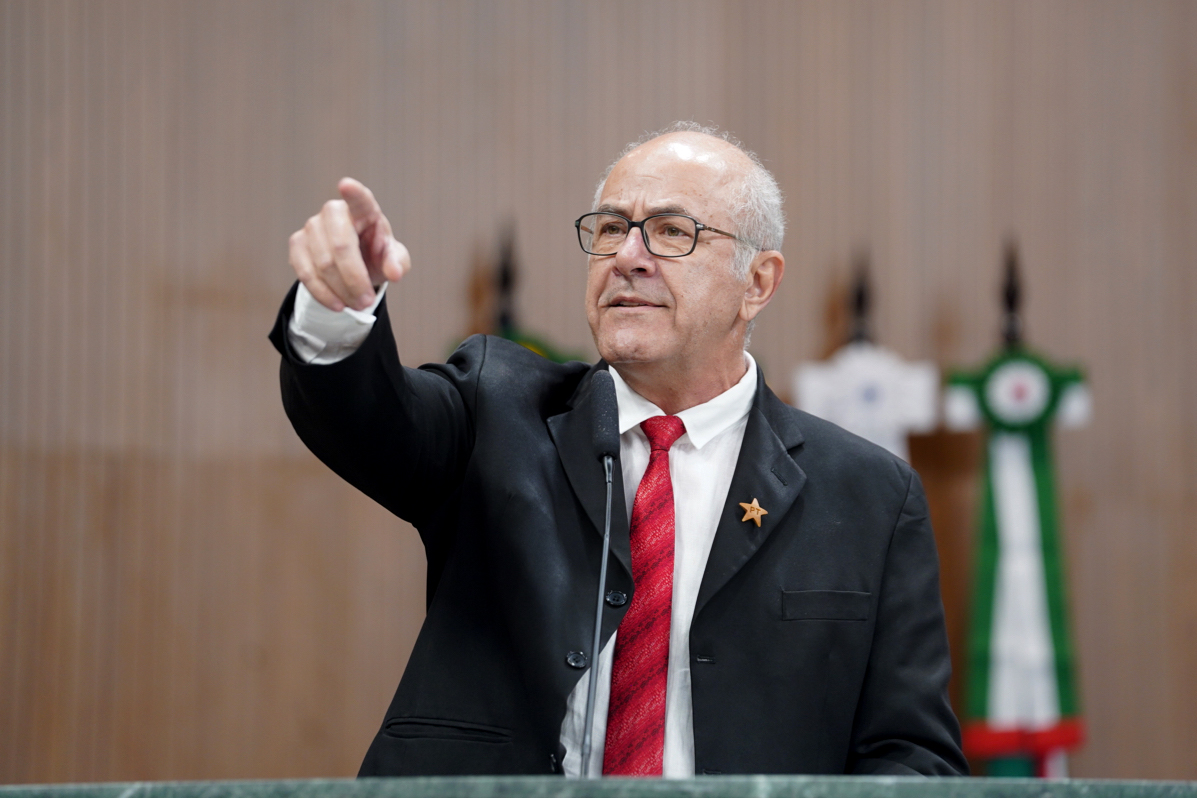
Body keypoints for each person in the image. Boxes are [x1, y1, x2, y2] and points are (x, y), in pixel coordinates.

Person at [269, 122, 967, 778]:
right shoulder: (496, 413)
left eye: (671, 231)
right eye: (610, 229)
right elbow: (368, 420)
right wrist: (337, 313)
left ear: (756, 283)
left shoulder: (870, 495)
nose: (628, 257)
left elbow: (909, 753)